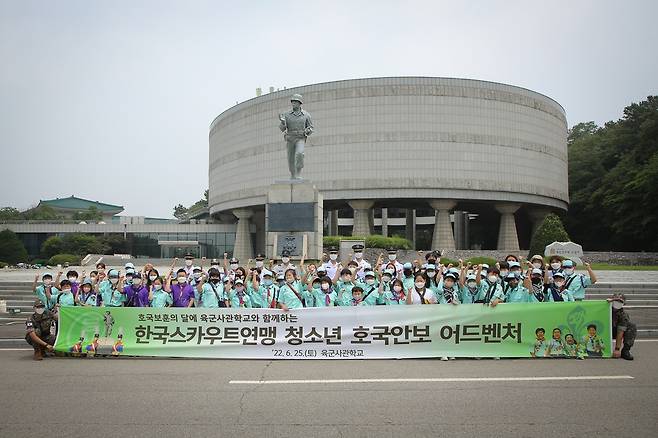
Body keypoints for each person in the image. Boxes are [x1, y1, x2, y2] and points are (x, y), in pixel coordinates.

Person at [278, 93, 313, 179]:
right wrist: (283, 122)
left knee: (300, 154)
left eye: (295, 102)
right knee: (290, 159)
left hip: (300, 138)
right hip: (290, 138)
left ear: (300, 103)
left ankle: (298, 173)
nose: (293, 104)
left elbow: (311, 127)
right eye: (292, 102)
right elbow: (282, 129)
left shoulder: (306, 115)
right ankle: (293, 175)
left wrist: (307, 131)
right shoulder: (286, 115)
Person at [609, 293, 636, 360]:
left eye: (620, 301)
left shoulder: (623, 315)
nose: (617, 303)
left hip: (614, 331)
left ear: (623, 304)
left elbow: (620, 331)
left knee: (631, 326)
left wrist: (617, 349)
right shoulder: (604, 309)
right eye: (615, 300)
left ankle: (625, 351)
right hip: (602, 331)